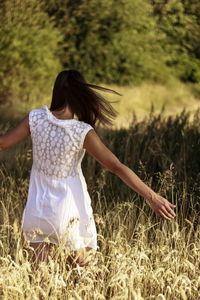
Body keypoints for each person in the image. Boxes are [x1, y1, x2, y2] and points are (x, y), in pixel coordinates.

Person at [0, 70, 176, 270]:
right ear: (80, 94)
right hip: (67, 215)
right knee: (88, 277)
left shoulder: (35, 118)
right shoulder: (81, 132)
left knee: (41, 283)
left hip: (37, 212)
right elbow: (116, 167)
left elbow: (2, 144)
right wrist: (152, 197)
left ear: (56, 92)